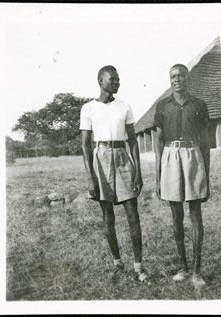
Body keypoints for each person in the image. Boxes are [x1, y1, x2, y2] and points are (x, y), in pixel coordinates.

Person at [80, 65, 148, 282]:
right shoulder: (88, 108)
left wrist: (137, 170)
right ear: (101, 81)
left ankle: (139, 267)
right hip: (101, 158)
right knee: (108, 216)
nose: (117, 83)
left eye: (118, 80)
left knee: (133, 215)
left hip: (122, 156)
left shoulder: (124, 107)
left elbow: (133, 141)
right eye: (112, 79)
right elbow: (85, 145)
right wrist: (90, 176)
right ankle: (118, 264)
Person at [154, 64, 210, 287]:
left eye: (181, 76)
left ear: (188, 78)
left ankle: (197, 270)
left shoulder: (199, 104)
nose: (177, 79)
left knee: (195, 212)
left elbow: (205, 142)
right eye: (173, 76)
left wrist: (207, 172)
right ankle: (183, 267)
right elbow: (158, 141)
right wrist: (158, 173)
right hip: (170, 157)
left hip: (193, 156)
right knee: (175, 214)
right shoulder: (162, 106)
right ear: (170, 80)